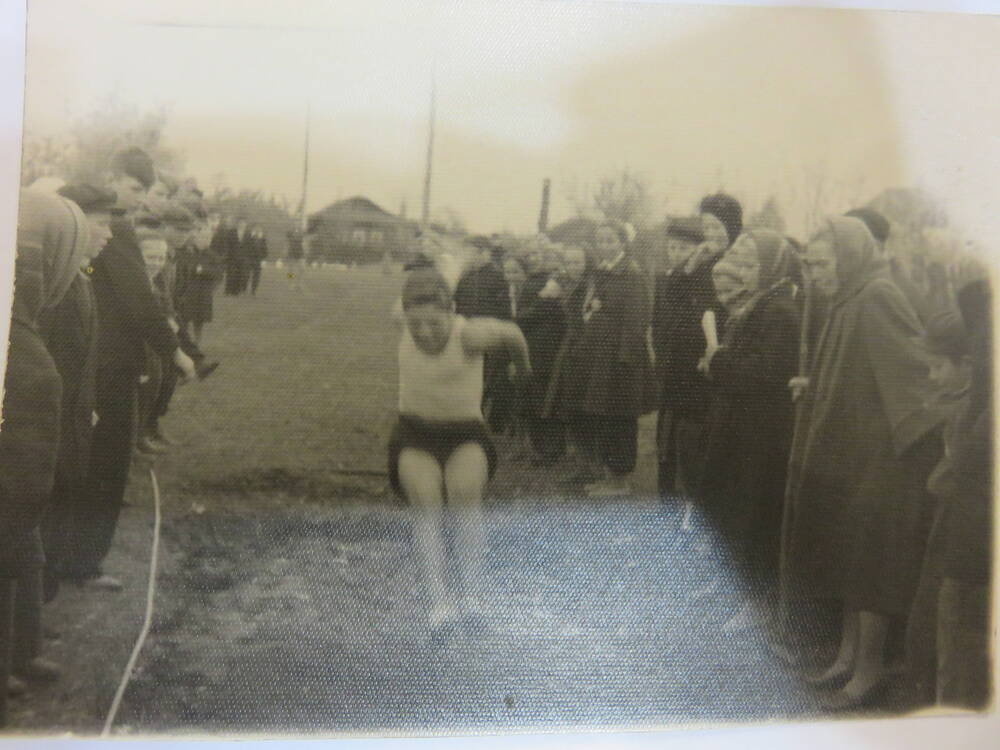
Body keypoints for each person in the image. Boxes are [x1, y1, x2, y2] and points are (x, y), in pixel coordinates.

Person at [784, 216, 943, 710]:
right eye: (808, 264)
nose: (812, 273)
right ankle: (846, 659)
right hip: (854, 456)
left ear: (849, 256)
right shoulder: (849, 296)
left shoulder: (876, 295)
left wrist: (913, 448)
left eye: (820, 263)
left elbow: (911, 374)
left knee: (873, 565)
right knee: (852, 559)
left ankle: (868, 672)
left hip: (885, 459)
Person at [76, 147, 195, 590]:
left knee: (86, 461)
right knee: (107, 462)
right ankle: (83, 564)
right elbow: (140, 303)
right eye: (133, 186)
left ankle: (70, 559)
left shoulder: (92, 224)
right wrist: (176, 353)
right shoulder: (118, 231)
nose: (142, 198)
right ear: (111, 176)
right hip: (109, 364)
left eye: (146, 190)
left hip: (88, 356)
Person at [390, 266, 531, 635]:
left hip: (465, 435)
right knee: (427, 502)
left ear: (451, 313)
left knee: (464, 495)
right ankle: (439, 604)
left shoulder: (470, 335)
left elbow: (514, 333)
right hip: (414, 434)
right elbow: (411, 305)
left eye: (434, 324)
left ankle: (472, 597)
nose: (423, 333)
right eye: (415, 324)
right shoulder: (401, 318)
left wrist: (522, 371)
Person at [1, 190, 90, 716]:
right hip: (11, 500)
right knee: (13, 552)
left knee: (22, 557)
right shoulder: (27, 355)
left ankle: (20, 652)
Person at [699, 230, 800, 628]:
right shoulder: (757, 306)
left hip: (762, 434)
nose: (742, 271)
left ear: (772, 268)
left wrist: (718, 360)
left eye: (751, 265)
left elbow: (765, 376)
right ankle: (731, 586)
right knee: (731, 506)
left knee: (754, 516)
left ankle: (755, 605)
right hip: (740, 427)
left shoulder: (781, 313)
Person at [905, 269, 992, 710]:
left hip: (962, 542)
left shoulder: (972, 416)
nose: (934, 377)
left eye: (940, 366)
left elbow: (947, 477)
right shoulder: (963, 406)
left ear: (970, 366)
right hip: (952, 536)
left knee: (952, 635)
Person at [38, 183, 113, 597]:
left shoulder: (80, 278)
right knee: (46, 511)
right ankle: (26, 623)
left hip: (73, 417)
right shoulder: (58, 286)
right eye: (101, 224)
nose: (110, 234)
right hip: (55, 422)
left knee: (61, 507)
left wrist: (89, 405)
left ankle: (33, 616)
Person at [556, 221, 654, 496]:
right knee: (604, 417)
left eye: (611, 240)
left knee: (620, 419)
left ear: (623, 243)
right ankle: (608, 476)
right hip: (600, 357)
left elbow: (637, 321)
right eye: (600, 240)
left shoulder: (632, 275)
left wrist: (625, 361)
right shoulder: (604, 273)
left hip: (620, 361)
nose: (604, 246)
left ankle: (620, 481)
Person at [652, 216, 720, 503]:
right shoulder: (668, 279)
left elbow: (705, 319)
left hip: (692, 367)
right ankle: (666, 490)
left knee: (687, 433)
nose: (676, 254)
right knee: (666, 431)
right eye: (672, 248)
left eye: (683, 248)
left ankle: (683, 492)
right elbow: (659, 321)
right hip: (671, 364)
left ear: (697, 249)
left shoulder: (707, 278)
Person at [248, 224, 268, 295]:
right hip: (250, 259)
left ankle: (291, 280)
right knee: (291, 270)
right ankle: (290, 280)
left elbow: (265, 250)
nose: (258, 230)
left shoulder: (263, 238)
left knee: (257, 275)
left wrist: (263, 259)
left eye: (259, 228)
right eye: (256, 228)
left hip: (258, 260)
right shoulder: (250, 237)